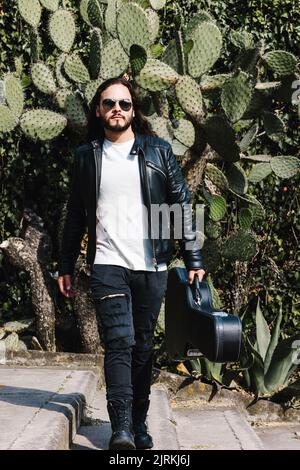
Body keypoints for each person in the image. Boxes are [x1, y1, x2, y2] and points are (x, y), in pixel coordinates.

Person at [57, 76, 206, 450]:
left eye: (124, 104)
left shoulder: (157, 151)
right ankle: (120, 428)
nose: (117, 110)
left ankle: (139, 423)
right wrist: (65, 265)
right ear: (98, 110)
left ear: (133, 110)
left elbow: (179, 205)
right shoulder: (86, 156)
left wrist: (193, 256)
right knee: (119, 343)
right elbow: (75, 213)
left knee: (142, 346)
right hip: (107, 264)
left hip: (152, 264)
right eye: (109, 103)